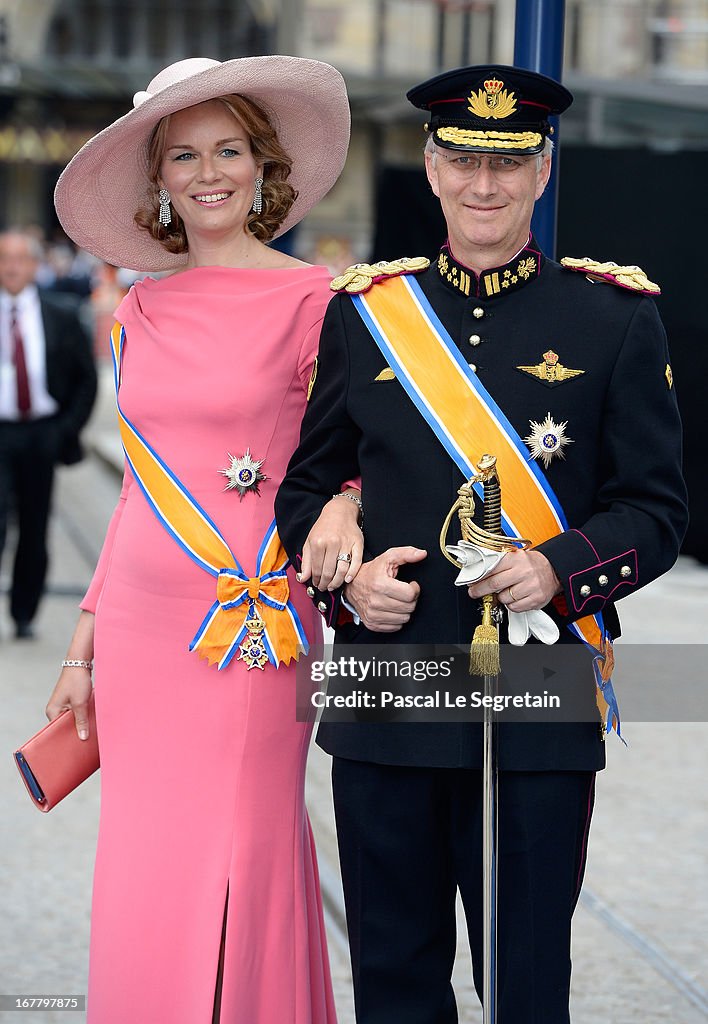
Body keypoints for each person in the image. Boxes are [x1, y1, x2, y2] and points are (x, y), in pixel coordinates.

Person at [276, 64, 688, 1023]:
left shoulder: (614, 317)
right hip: (387, 685)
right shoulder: (367, 313)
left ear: (544, 172)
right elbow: (307, 486)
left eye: (509, 162)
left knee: (525, 979)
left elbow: (656, 510)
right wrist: (347, 584)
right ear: (429, 166)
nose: (485, 184)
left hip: (536, 702)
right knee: (393, 975)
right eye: (463, 159)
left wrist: (560, 567)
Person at [46, 56, 363, 1024]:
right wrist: (82, 647)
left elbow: (354, 450)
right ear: (161, 179)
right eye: (184, 154)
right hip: (142, 628)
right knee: (149, 853)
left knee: (248, 843)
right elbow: (143, 489)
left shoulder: (323, 297)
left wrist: (345, 504)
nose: (208, 170)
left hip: (255, 623)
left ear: (263, 167)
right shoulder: (140, 307)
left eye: (229, 149)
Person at [0, 229, 96, 639]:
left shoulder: (60, 313)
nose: (12, 266)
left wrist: (64, 430)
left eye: (20, 258)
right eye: (5, 258)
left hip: (42, 433)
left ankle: (24, 611)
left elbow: (85, 380)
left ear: (35, 265)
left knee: (35, 526)